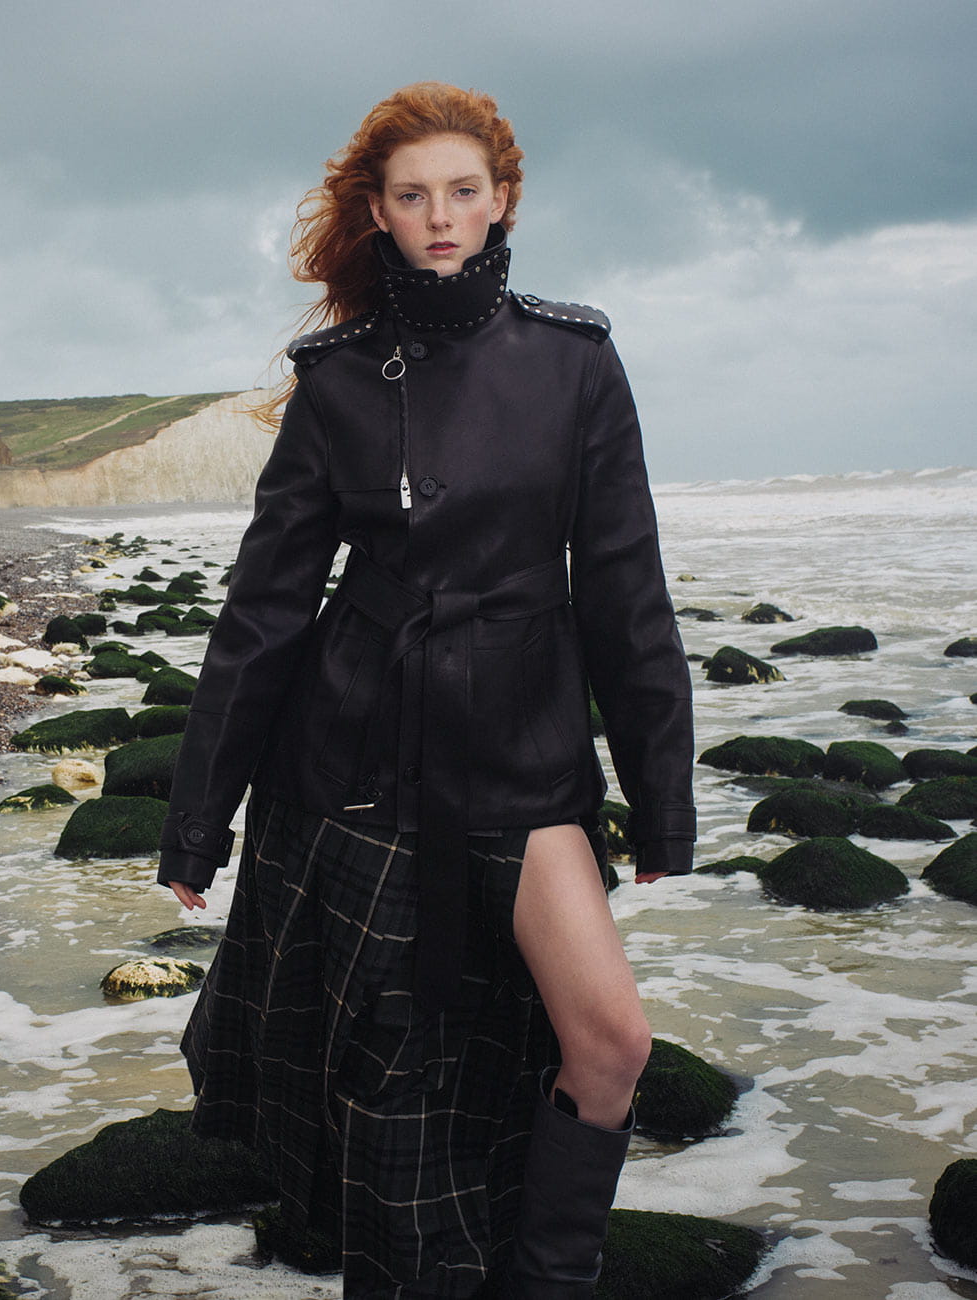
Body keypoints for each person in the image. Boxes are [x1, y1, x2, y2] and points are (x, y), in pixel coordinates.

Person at [156, 81, 696, 1299]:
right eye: (413, 196)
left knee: (608, 1042)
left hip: (522, 756)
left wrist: (663, 799)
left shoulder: (576, 363)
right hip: (358, 763)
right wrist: (198, 819)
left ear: (502, 201)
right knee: (393, 1085)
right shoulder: (338, 377)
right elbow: (265, 610)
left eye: (462, 191)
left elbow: (625, 595)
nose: (440, 216)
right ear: (381, 214)